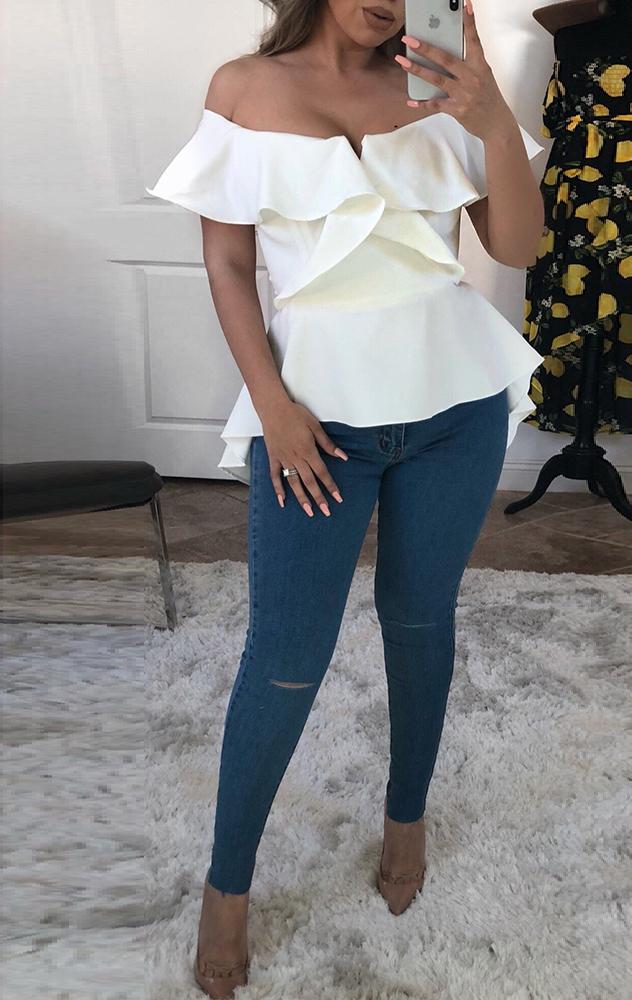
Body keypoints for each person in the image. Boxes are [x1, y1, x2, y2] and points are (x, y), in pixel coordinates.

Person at [146, 1, 545, 995]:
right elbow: (228, 260)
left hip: (455, 407)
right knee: (285, 658)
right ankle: (228, 885)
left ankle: (406, 818)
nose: (389, 1)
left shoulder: (446, 88)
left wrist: (493, 122)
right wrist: (272, 406)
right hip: (315, 424)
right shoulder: (246, 88)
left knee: (420, 621)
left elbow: (519, 249)